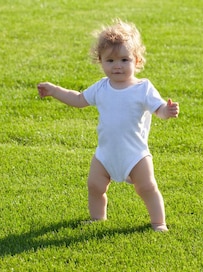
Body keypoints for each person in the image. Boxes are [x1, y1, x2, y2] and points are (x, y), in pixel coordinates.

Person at [37, 19, 179, 232]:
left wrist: (166, 112)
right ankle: (97, 219)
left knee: (147, 187)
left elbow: (158, 108)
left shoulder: (143, 88)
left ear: (137, 60)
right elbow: (78, 99)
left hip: (135, 155)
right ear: (101, 61)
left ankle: (159, 223)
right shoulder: (101, 87)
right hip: (105, 154)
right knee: (94, 186)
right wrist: (54, 90)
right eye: (110, 61)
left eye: (124, 59)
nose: (117, 66)